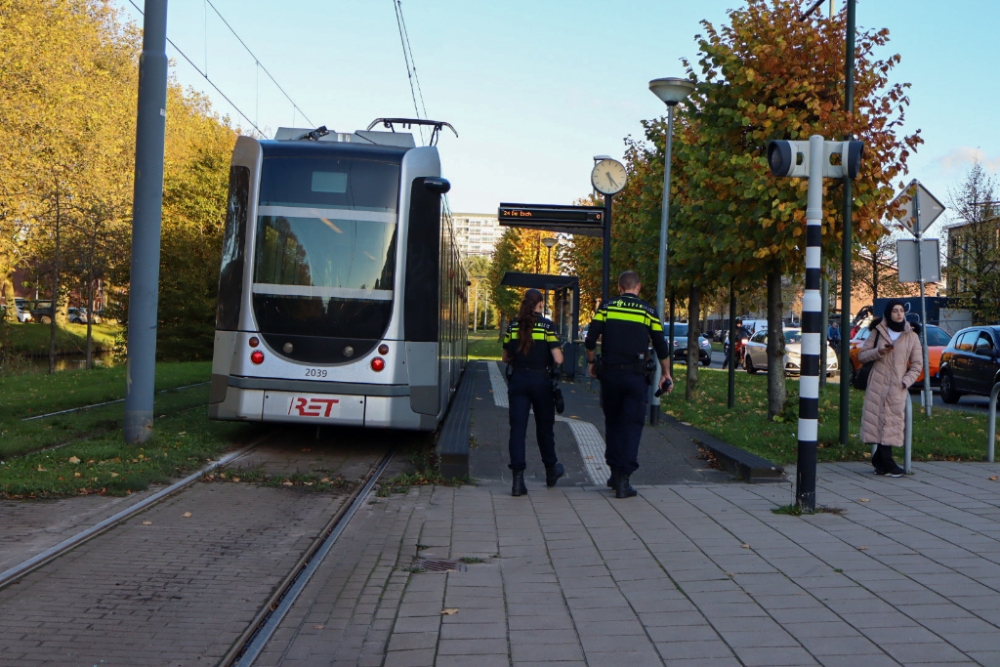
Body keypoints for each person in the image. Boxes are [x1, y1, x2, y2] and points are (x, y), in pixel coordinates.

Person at [584, 271, 672, 498]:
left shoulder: (606, 307)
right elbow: (661, 345)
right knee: (632, 426)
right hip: (636, 377)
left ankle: (613, 473)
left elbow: (590, 339)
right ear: (638, 287)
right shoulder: (648, 311)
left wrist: (592, 362)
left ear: (620, 288)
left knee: (613, 422)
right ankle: (624, 479)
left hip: (610, 376)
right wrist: (666, 374)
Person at [502, 288, 565, 496]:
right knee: (545, 428)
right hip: (541, 382)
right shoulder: (547, 326)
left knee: (517, 431)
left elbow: (505, 357)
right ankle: (550, 470)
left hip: (518, 380)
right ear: (540, 304)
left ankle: (518, 480)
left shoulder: (513, 325)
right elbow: (558, 358)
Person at [858, 299, 922, 477]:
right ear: (888, 313)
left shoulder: (911, 336)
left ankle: (881, 460)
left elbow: (917, 365)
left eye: (901, 310)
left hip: (897, 386)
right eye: (895, 310)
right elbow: (862, 356)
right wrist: (879, 351)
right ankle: (885, 462)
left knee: (892, 422)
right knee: (877, 421)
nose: (899, 314)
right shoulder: (878, 332)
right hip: (877, 384)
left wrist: (906, 381)